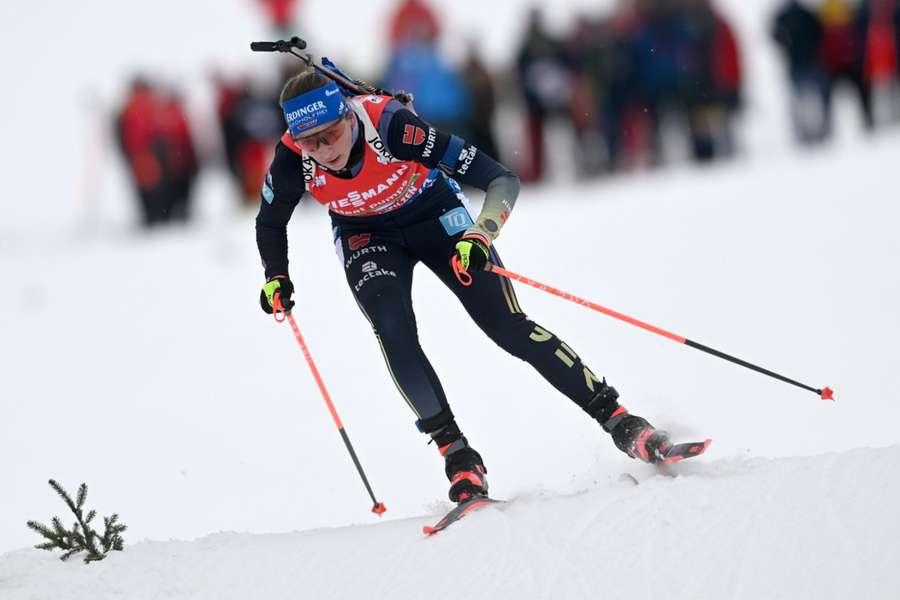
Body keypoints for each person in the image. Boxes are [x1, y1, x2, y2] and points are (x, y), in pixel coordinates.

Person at [255, 68, 690, 503]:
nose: (322, 152)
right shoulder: (293, 159)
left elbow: (502, 179)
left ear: (349, 118)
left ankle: (620, 421)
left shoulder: (394, 127)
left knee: (505, 325)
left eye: (329, 136)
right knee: (393, 330)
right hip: (366, 236)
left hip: (434, 216)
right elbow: (270, 222)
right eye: (309, 142)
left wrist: (481, 233)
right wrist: (276, 276)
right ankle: (459, 458)